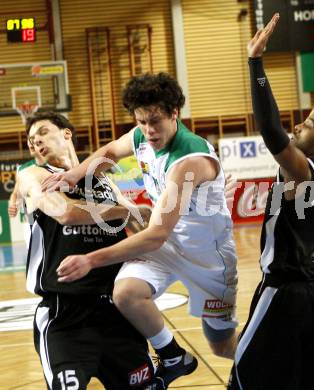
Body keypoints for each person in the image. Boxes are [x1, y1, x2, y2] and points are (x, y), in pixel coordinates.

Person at [42, 72, 239, 386]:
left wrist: (91, 259)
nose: (148, 130)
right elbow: (109, 152)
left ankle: (268, 365)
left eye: (155, 121)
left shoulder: (188, 161)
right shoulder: (142, 136)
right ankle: (173, 356)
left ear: (175, 113)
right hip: (167, 245)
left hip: (208, 256)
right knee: (127, 293)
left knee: (221, 345)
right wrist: (75, 175)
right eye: (141, 121)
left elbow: (154, 234)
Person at [228, 14, 314, 389]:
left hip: (286, 294)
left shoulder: (304, 172)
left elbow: (269, 128)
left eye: (309, 125)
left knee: (243, 377)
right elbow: (307, 139)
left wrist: (255, 63)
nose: (298, 126)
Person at [20, 111, 164, 389]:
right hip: (65, 315)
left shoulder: (105, 183)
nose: (35, 141)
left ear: (66, 133)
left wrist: (187, 203)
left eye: (42, 132)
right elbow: (65, 212)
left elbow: (145, 225)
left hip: (115, 313)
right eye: (30, 140)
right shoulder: (33, 175)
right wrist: (128, 210)